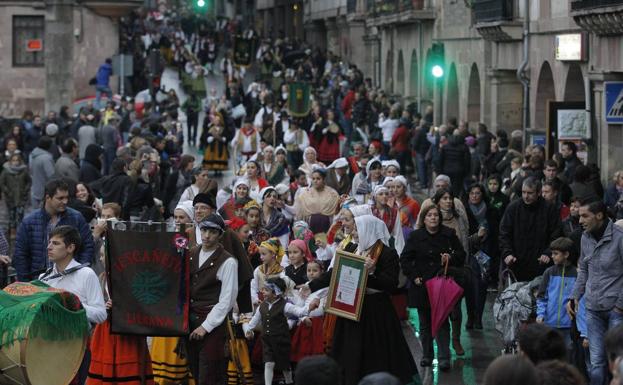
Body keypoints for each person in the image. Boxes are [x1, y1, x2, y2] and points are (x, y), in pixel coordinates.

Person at [306, 215, 419, 385]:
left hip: (376, 312)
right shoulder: (352, 248)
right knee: (349, 351)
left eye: (358, 229)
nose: (354, 232)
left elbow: (390, 285)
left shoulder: (387, 253)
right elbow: (336, 271)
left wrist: (370, 273)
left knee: (376, 353)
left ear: (369, 229)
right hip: (351, 310)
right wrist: (311, 286)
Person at [401, 204, 465, 371]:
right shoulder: (416, 236)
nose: (433, 218)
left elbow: (461, 255)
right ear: (424, 218)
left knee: (442, 321)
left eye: (436, 215)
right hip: (421, 284)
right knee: (424, 322)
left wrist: (450, 257)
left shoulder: (448, 234)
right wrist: (414, 276)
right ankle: (427, 355)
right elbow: (405, 259)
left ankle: (444, 357)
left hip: (440, 283)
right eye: (429, 215)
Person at [569, 200, 623, 385]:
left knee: (617, 361)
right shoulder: (585, 237)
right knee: (596, 363)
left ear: (599, 216)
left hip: (616, 309)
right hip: (592, 309)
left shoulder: (620, 237)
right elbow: (583, 269)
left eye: (585, 216)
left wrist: (619, 306)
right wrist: (574, 296)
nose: (580, 219)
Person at [186, 214, 239, 385]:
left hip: (213, 324)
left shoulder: (228, 261)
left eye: (212, 232)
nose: (207, 235)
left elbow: (227, 300)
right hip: (190, 320)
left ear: (220, 234)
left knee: (210, 373)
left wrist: (206, 326)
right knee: (194, 369)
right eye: (204, 230)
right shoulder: (191, 252)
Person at [15, 179, 95, 281]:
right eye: (60, 198)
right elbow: (21, 254)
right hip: (39, 281)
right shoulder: (29, 221)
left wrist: (79, 271)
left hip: (71, 279)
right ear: (48, 197)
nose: (65, 201)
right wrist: (26, 282)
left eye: (67, 197)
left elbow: (87, 246)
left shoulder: (76, 218)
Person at [245, 277, 317, 385]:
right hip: (267, 340)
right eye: (263, 289)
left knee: (284, 365)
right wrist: (249, 330)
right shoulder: (262, 306)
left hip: (281, 340)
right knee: (268, 363)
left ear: (275, 293)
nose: (262, 292)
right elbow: (254, 320)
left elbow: (299, 312)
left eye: (266, 290)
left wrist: (309, 308)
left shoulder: (285, 305)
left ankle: (289, 381)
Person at [499, 177, 562, 282]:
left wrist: (548, 253)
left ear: (538, 193)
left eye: (530, 193)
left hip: (540, 263)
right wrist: (507, 253)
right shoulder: (513, 208)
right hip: (516, 262)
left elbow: (555, 234)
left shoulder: (549, 209)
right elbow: (504, 233)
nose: (526, 196)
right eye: (523, 192)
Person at [536, 237, 577, 352]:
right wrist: (540, 314)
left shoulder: (577, 274)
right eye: (552, 253)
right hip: (550, 323)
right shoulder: (549, 272)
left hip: (569, 325)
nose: (552, 256)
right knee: (549, 351)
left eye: (555, 253)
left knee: (568, 352)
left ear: (566, 254)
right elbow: (541, 297)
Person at [296, 168, 340, 234]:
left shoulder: (332, 193)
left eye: (318, 179)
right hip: (310, 227)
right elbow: (300, 214)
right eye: (313, 179)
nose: (315, 181)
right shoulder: (305, 194)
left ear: (324, 180)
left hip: (328, 227)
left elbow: (336, 213)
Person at [0, 153, 31, 233]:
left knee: (20, 215)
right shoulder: (6, 171)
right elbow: (2, 183)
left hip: (21, 197)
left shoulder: (24, 170)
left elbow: (29, 181)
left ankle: (20, 233)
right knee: (11, 216)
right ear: (10, 161)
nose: (15, 162)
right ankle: (12, 232)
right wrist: (7, 192)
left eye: (17, 160)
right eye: (13, 160)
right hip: (10, 198)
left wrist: (25, 190)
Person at [29, 136, 56, 208]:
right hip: (44, 191)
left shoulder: (32, 154)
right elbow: (51, 175)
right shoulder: (46, 158)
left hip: (35, 189)